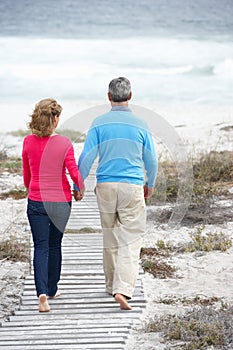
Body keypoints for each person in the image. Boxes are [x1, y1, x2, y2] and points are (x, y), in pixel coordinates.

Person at [74, 77, 158, 310]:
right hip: (132, 186)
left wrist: (78, 184)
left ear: (109, 97)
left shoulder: (99, 122)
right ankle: (122, 289)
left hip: (106, 186)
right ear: (130, 96)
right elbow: (151, 159)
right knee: (131, 239)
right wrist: (150, 183)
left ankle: (111, 284)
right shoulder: (141, 124)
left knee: (110, 235)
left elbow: (87, 156)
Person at [22, 98, 84, 312]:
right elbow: (73, 172)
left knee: (40, 246)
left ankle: (41, 294)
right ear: (55, 119)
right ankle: (52, 288)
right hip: (60, 202)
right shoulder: (64, 143)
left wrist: (32, 189)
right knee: (54, 244)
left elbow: (27, 176)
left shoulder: (28, 142)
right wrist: (80, 188)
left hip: (37, 201)